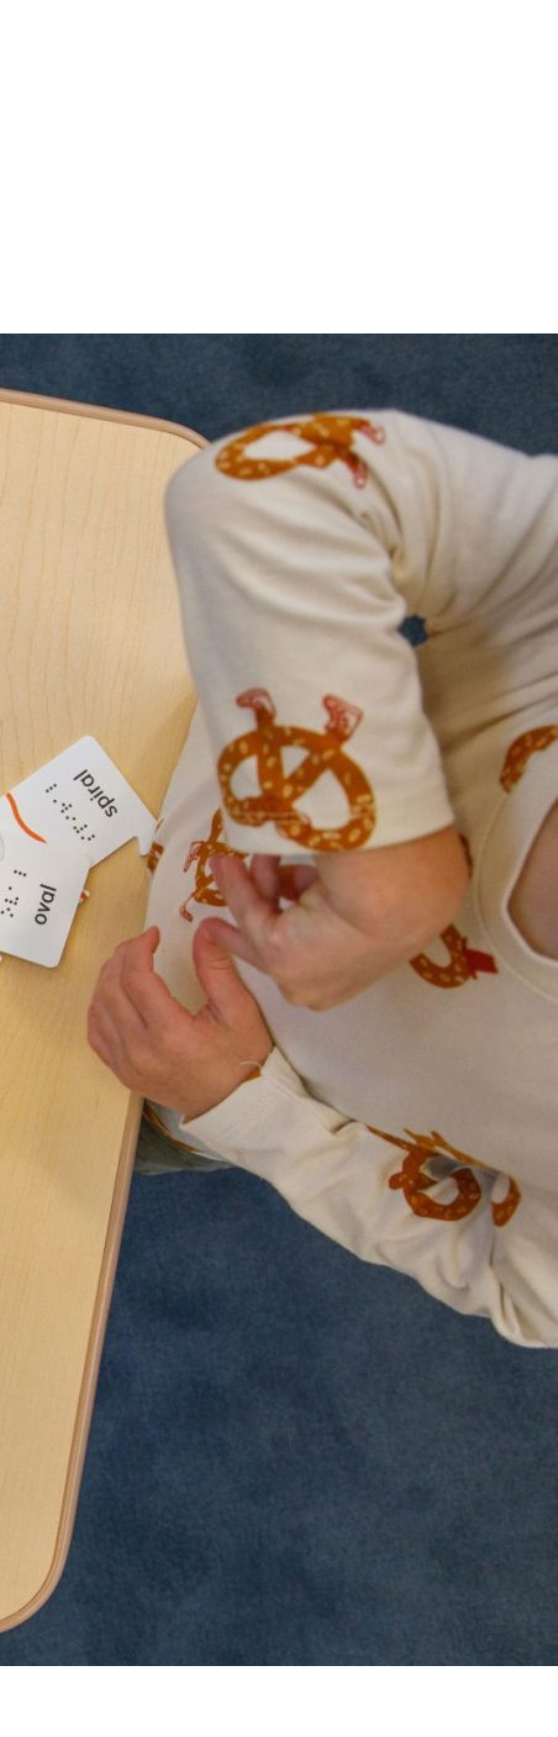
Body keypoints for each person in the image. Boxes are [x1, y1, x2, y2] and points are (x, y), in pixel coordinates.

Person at [86, 412, 557, 1347]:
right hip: (136, 747)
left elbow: (519, 1289)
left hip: (161, 1075)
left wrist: (244, 1108)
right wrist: (397, 880)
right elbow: (262, 486)